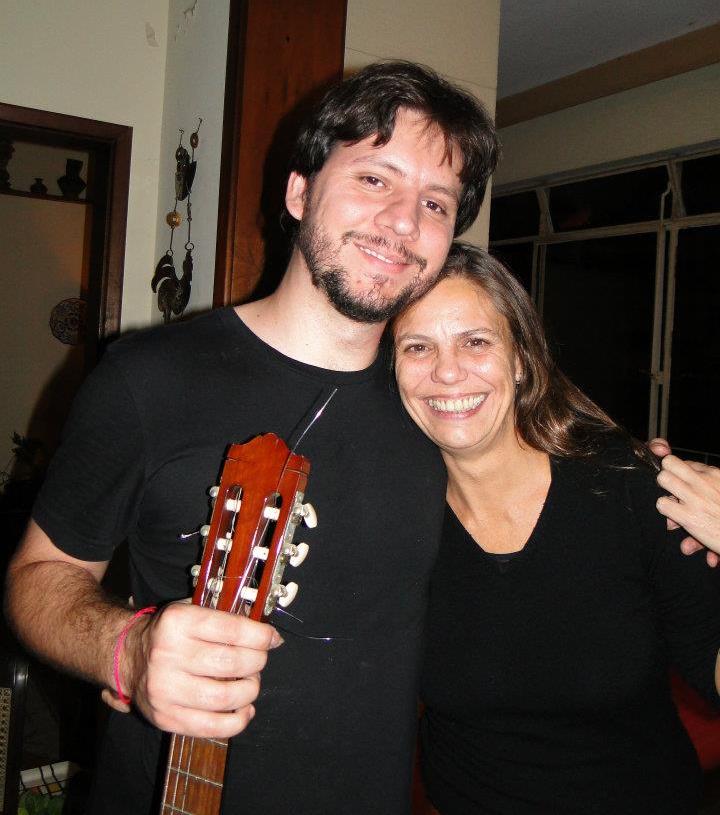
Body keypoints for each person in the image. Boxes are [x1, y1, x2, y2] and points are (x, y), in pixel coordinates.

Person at [4, 62, 499, 815]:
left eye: (436, 202)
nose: (404, 220)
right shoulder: (148, 377)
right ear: (299, 192)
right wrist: (128, 649)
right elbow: (37, 578)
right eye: (375, 179)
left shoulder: (441, 403)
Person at [392, 243, 720, 814]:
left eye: (475, 341)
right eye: (417, 347)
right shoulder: (389, 519)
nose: (446, 372)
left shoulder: (628, 487)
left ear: (521, 359)